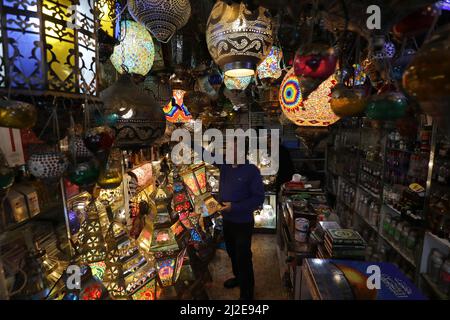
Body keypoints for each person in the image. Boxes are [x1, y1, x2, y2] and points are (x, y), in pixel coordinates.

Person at [187, 137, 265, 300]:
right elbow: (206, 155)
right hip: (228, 221)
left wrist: (234, 207)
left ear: (243, 152)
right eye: (229, 149)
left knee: (243, 257)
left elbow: (258, 198)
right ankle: (238, 278)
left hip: (243, 222)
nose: (229, 152)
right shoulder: (225, 164)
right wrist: (188, 141)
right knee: (232, 253)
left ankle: (247, 292)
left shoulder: (251, 171)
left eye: (233, 149)